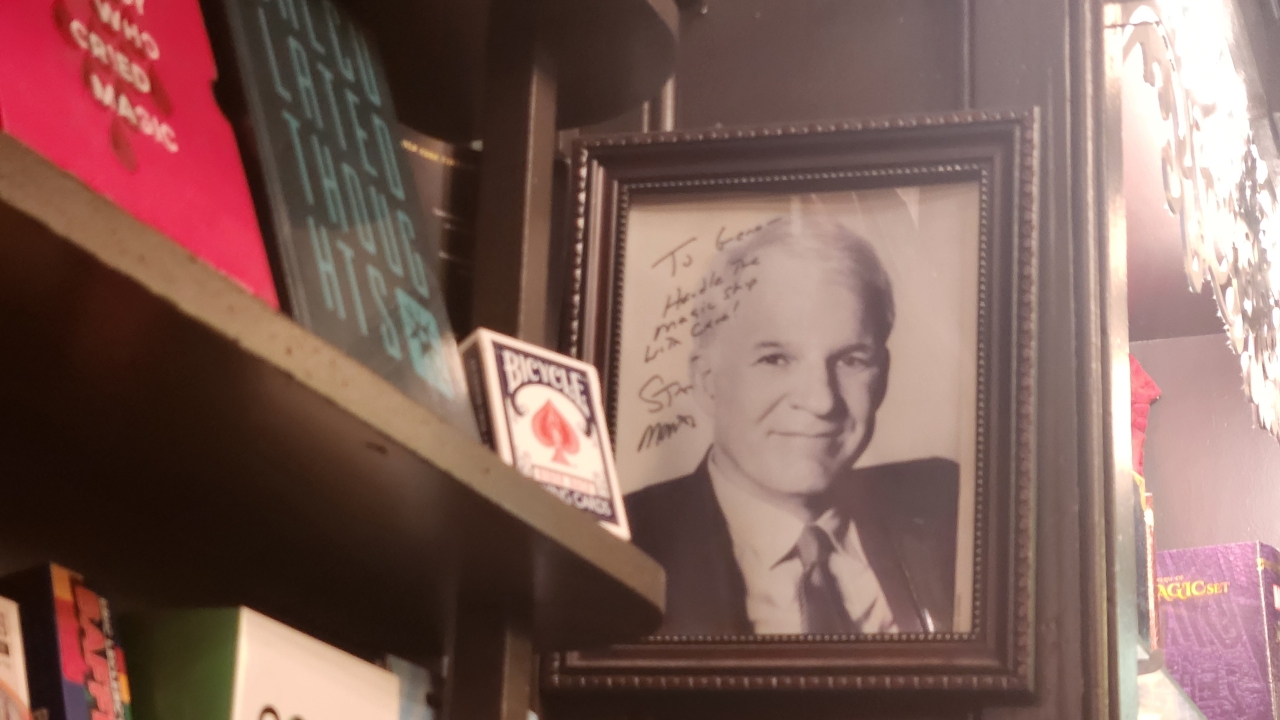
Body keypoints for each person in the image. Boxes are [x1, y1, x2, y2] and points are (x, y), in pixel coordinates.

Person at [624, 214, 959, 637]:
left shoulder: (950, 503)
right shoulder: (619, 548)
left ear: (884, 374)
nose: (821, 400)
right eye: (775, 358)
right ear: (707, 381)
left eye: (851, 360)